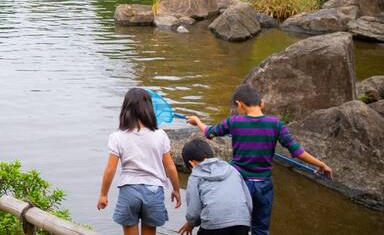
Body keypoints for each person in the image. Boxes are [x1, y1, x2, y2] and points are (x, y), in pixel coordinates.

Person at [187, 85, 333, 235]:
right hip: (264, 185)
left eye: (237, 107)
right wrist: (321, 164)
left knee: (236, 222)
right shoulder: (276, 124)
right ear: (261, 103)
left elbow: (209, 133)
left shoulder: (234, 122)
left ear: (240, 104)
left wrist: (197, 121)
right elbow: (297, 152)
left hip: (239, 182)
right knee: (261, 229)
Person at [99, 88, 183, 235]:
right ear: (149, 109)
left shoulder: (117, 136)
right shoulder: (160, 135)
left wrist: (103, 194)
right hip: (154, 190)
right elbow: (170, 166)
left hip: (129, 189)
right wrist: (175, 189)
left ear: (125, 109)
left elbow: (110, 169)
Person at [178, 139, 253, 235]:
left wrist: (191, 223)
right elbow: (249, 202)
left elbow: (194, 212)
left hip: (214, 224)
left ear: (191, 163)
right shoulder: (232, 170)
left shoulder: (195, 176)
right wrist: (246, 221)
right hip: (242, 221)